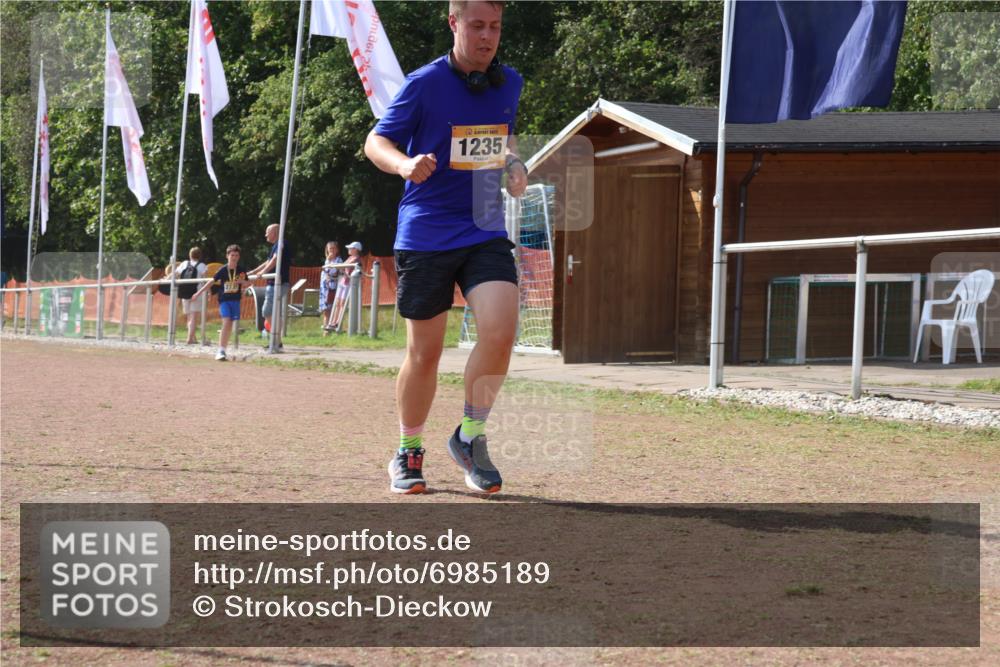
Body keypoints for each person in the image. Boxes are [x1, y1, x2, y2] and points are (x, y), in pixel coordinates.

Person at [364, 0, 527, 495]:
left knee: (501, 329)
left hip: (483, 227)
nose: (487, 36)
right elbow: (376, 142)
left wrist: (515, 164)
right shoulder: (424, 84)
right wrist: (403, 165)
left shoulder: (510, 83)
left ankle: (470, 437)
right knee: (425, 353)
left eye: (495, 26)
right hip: (427, 232)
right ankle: (408, 450)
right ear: (454, 23)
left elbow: (503, 139)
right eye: (476, 25)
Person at [192, 244, 251, 361]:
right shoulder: (223, 270)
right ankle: (220, 351)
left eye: (236, 255)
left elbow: (248, 284)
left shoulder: (241, 270)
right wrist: (198, 293)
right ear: (227, 256)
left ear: (239, 257)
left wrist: (242, 282)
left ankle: (223, 348)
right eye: (232, 255)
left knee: (230, 324)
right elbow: (211, 282)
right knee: (226, 322)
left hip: (236, 300)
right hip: (224, 300)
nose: (234, 257)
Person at [248, 223, 292, 349]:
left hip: (278, 283)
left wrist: (262, 273)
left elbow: (274, 260)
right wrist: (254, 272)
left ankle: (276, 339)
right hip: (274, 284)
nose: (265, 234)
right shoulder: (276, 245)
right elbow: (268, 261)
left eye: (268, 232)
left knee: (266, 311)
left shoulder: (281, 243)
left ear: (275, 232)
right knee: (273, 313)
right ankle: (276, 341)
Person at [165, 247, 208, 344]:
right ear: (200, 255)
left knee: (189, 316)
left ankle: (193, 338)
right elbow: (206, 280)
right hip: (197, 293)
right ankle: (189, 338)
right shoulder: (202, 266)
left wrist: (166, 279)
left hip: (184, 293)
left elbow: (174, 274)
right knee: (193, 317)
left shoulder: (184, 264)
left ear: (190, 255)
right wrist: (208, 292)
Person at [328, 241, 363, 333]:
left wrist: (336, 265)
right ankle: (333, 321)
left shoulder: (356, 259)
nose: (349, 249)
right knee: (338, 303)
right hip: (343, 281)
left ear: (356, 250)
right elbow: (342, 266)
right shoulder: (350, 257)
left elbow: (344, 266)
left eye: (351, 248)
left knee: (342, 303)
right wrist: (333, 265)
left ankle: (337, 322)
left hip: (348, 283)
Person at [319, 241, 343, 331]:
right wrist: (328, 261)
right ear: (327, 250)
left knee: (330, 307)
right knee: (325, 309)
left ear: (337, 250)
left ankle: (330, 326)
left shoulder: (338, 260)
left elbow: (333, 272)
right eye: (330, 249)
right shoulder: (327, 260)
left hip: (332, 287)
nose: (332, 250)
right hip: (324, 288)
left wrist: (328, 264)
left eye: (334, 248)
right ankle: (325, 327)